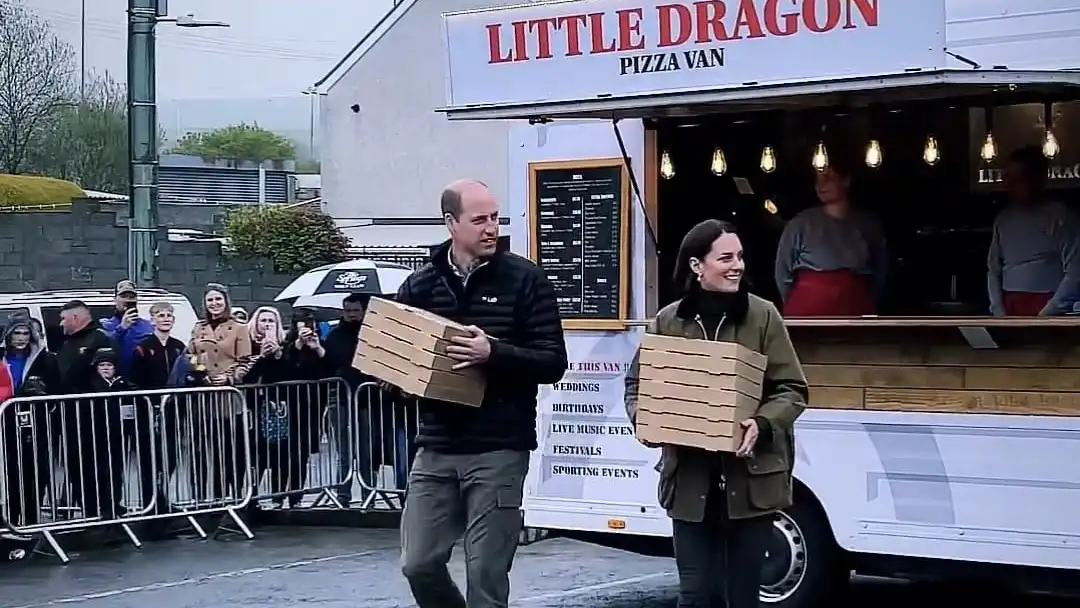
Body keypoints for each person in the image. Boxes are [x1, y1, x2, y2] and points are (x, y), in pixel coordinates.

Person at [397, 179, 567, 608]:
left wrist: (493, 352)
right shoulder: (419, 286)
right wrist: (394, 377)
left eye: (495, 217)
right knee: (417, 563)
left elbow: (552, 362)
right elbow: (401, 362)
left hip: (499, 448)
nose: (491, 228)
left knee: (485, 576)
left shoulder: (526, 279)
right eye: (480, 220)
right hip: (435, 446)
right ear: (451, 223)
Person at [625, 219, 808, 608]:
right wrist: (647, 421)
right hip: (690, 486)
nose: (736, 265)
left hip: (751, 486)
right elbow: (637, 387)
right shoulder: (668, 321)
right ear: (697, 266)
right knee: (695, 596)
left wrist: (761, 424)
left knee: (740, 598)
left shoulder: (763, 317)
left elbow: (792, 390)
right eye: (725, 257)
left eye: (740, 256)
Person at [774, 159, 888, 316]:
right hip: (807, 307)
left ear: (846, 180)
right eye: (818, 179)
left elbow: (880, 270)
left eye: (829, 177)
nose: (821, 185)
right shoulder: (800, 224)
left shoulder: (867, 225)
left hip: (855, 305)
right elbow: (782, 271)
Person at [988, 146, 1080, 316]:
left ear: (1037, 179)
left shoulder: (1061, 216)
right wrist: (999, 311)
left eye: (1019, 178)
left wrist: (1050, 311)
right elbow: (993, 270)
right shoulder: (1003, 220)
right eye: (1008, 177)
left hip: (1049, 304)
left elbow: (1075, 270)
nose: (1011, 184)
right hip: (1011, 307)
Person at [187, 283, 251, 503]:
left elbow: (246, 360)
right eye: (210, 300)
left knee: (231, 448)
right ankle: (212, 496)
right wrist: (201, 372)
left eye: (218, 300)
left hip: (229, 395)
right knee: (208, 449)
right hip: (206, 396)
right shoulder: (198, 328)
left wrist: (230, 377)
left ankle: (233, 494)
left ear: (226, 302)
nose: (214, 304)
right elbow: (191, 355)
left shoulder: (239, 328)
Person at [0, 315, 60, 530]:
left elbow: (56, 388)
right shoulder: (2, 357)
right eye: (17, 333)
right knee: (10, 470)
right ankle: (12, 516)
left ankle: (32, 517)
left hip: (36, 420)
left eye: (26, 333)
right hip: (5, 421)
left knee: (36, 468)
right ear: (8, 334)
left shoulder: (44, 359)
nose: (21, 338)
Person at [129, 302, 187, 514]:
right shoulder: (143, 347)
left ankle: (163, 496)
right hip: (149, 410)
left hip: (172, 409)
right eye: (161, 315)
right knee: (148, 456)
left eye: (169, 315)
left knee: (170, 454)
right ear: (152, 320)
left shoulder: (179, 346)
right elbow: (134, 379)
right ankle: (149, 500)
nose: (165, 319)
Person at [244, 306, 303, 509]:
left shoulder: (285, 347)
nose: (267, 324)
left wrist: (277, 355)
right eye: (263, 320)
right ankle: (251, 496)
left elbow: (290, 374)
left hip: (279, 408)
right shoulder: (248, 345)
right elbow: (248, 376)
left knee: (280, 452)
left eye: (271, 321)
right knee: (257, 455)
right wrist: (261, 356)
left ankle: (278, 497)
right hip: (254, 407)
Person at [79, 348, 131, 520]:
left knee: (115, 471)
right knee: (97, 471)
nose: (106, 368)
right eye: (102, 365)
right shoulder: (89, 384)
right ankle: (98, 507)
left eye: (109, 365)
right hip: (95, 434)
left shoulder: (123, 384)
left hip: (116, 434)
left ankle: (114, 503)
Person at [99, 280, 154, 376]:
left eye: (131, 297)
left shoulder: (148, 326)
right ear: (115, 299)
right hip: (115, 380)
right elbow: (103, 350)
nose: (128, 300)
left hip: (143, 380)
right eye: (123, 296)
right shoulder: (105, 325)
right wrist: (122, 328)